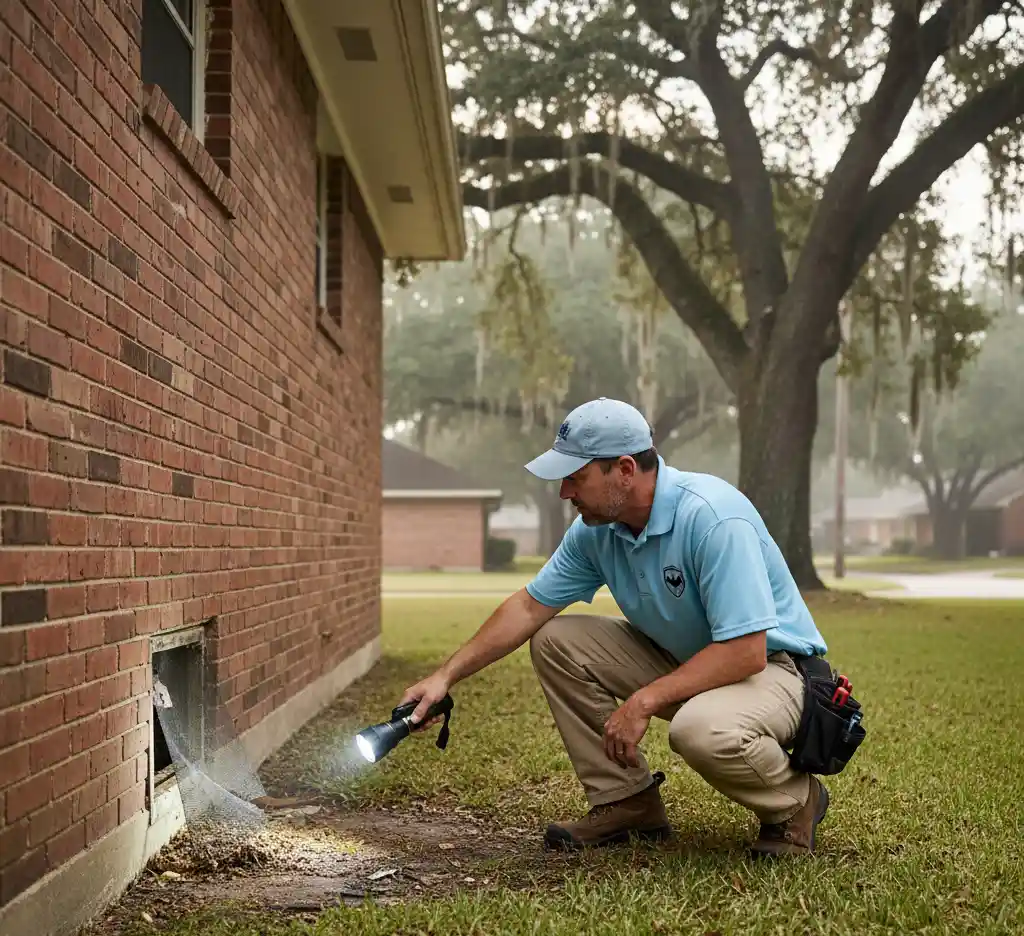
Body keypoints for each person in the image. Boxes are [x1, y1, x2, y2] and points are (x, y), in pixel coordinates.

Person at [400, 397, 832, 857]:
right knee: (556, 640)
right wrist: (444, 676)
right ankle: (627, 803)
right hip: (690, 661)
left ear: (625, 469)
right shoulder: (596, 530)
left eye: (576, 477)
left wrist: (643, 701)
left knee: (698, 729)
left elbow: (745, 651)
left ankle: (795, 802)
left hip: (775, 671)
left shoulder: (713, 517)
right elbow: (528, 608)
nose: (565, 492)